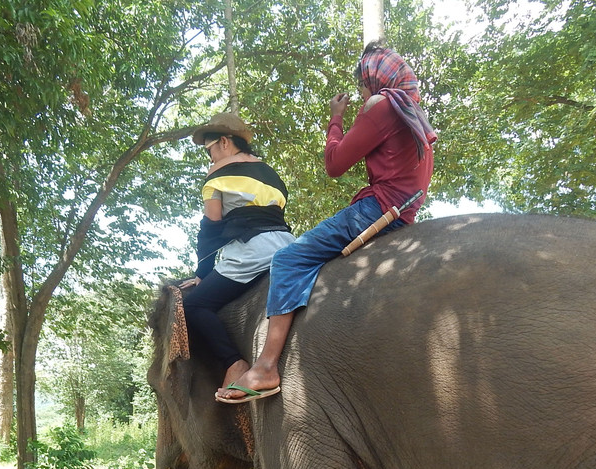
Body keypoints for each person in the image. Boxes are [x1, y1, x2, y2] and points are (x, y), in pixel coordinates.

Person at [215, 43, 435, 403]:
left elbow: (334, 164)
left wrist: (336, 119)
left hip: (376, 208)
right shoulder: (413, 112)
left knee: (288, 259)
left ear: (373, 79)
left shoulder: (382, 105)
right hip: (404, 214)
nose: (363, 93)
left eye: (363, 84)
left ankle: (266, 367)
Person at [179, 112, 295, 394]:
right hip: (289, 244)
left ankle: (234, 363)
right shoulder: (271, 173)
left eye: (209, 150)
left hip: (251, 250)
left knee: (195, 306)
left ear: (223, 142)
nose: (210, 158)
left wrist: (202, 274)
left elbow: (211, 226)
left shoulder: (217, 176)